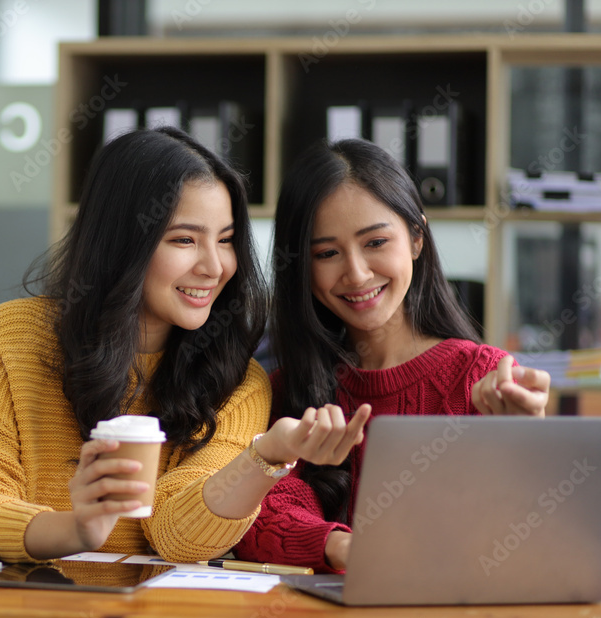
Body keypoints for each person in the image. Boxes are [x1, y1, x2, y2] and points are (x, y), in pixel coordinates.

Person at [0, 127, 368, 564]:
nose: (214, 266)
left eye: (227, 241)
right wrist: (75, 530)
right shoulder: (11, 336)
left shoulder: (237, 379)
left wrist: (265, 456)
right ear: (123, 242)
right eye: (184, 240)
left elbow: (180, 537)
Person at [233, 138, 551, 573]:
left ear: (417, 238)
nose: (357, 273)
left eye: (376, 242)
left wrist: (527, 441)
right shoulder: (286, 389)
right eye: (326, 253)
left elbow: (527, 534)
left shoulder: (480, 378)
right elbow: (255, 517)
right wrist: (343, 548)